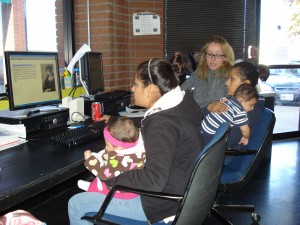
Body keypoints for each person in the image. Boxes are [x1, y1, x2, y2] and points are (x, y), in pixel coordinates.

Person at [68, 59, 204, 224]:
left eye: (136, 84)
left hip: (160, 205)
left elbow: (154, 180)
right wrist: (115, 119)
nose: (133, 89)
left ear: (151, 90)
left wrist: (109, 177)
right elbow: (155, 124)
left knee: (77, 203)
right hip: (180, 193)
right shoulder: (182, 105)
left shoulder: (161, 124)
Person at [78, 116, 146, 199]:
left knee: (102, 177)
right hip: (134, 185)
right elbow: (113, 154)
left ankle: (92, 188)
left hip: (123, 192)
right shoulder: (139, 147)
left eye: (107, 144)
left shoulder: (122, 161)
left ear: (119, 147)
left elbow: (104, 173)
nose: (106, 147)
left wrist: (90, 160)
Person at [203, 61, 265, 148]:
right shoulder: (231, 101)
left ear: (246, 84)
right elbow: (200, 118)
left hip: (218, 155)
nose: (227, 83)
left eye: (232, 79)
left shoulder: (248, 111)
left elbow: (225, 142)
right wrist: (209, 107)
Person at [180, 35, 235, 108]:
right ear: (205, 55)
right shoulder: (200, 70)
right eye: (209, 54)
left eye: (217, 55)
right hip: (196, 115)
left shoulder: (231, 75)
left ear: (225, 57)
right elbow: (181, 90)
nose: (213, 59)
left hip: (219, 116)